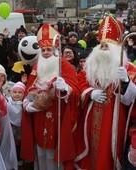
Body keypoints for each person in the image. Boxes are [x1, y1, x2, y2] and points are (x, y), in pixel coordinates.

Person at [75, 16, 136, 170]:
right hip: (91, 119)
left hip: (114, 121)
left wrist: (127, 83)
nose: (102, 48)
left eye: (107, 45)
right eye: (101, 45)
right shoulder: (91, 66)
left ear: (116, 48)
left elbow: (131, 101)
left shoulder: (128, 69)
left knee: (108, 154)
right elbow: (80, 83)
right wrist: (90, 92)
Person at [21, 23, 80, 170]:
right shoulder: (37, 66)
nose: (46, 53)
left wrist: (65, 89)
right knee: (41, 151)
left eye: (49, 49)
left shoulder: (65, 66)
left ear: (55, 50)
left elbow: (76, 92)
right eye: (43, 50)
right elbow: (29, 89)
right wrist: (28, 105)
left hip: (57, 117)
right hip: (39, 117)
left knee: (56, 152)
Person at [7, 81, 26, 168]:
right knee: (11, 143)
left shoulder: (24, 103)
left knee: (20, 143)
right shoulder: (8, 102)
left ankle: (19, 158)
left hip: (21, 127)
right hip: (10, 126)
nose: (17, 94)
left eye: (20, 92)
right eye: (15, 92)